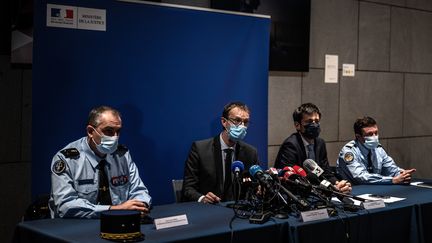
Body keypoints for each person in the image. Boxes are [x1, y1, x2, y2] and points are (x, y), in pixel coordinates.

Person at [49, 106, 151, 218]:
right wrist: (114, 210)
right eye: (109, 131)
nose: (115, 137)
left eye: (118, 131)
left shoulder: (122, 155)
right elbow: (65, 206)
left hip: (118, 224)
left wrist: (141, 205)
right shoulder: (66, 159)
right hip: (75, 229)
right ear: (90, 131)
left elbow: (139, 190)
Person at [182, 101, 259, 203]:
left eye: (245, 122)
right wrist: (202, 198)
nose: (242, 126)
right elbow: (188, 188)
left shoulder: (250, 152)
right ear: (224, 122)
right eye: (237, 120)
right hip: (208, 210)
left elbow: (254, 186)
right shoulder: (200, 149)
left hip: (239, 210)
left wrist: (260, 188)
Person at [274, 103, 352, 193]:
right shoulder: (290, 145)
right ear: (297, 125)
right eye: (309, 121)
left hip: (317, 193)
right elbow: (289, 178)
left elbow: (325, 173)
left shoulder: (320, 143)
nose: (314, 125)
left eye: (317, 121)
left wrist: (337, 184)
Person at [337, 116, 416, 184]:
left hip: (376, 190)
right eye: (370, 134)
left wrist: (402, 174)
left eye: (376, 133)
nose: (374, 137)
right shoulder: (348, 152)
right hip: (354, 190)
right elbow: (361, 177)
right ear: (358, 136)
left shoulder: (378, 148)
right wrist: (392, 180)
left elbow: (390, 168)